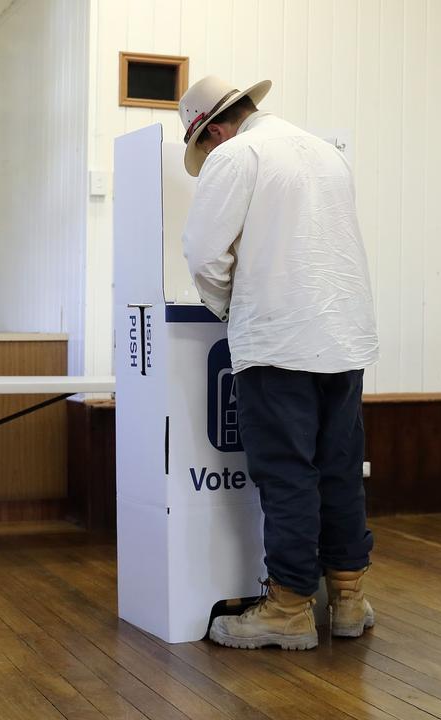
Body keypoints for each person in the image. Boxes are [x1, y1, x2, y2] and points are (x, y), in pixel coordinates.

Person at [178, 75, 380, 650]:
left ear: (214, 129)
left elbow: (203, 251)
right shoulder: (325, 153)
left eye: (204, 147)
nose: (208, 155)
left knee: (287, 471)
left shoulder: (238, 153)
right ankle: (346, 597)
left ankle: (289, 606)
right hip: (343, 335)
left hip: (278, 338)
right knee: (340, 467)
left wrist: (226, 305)